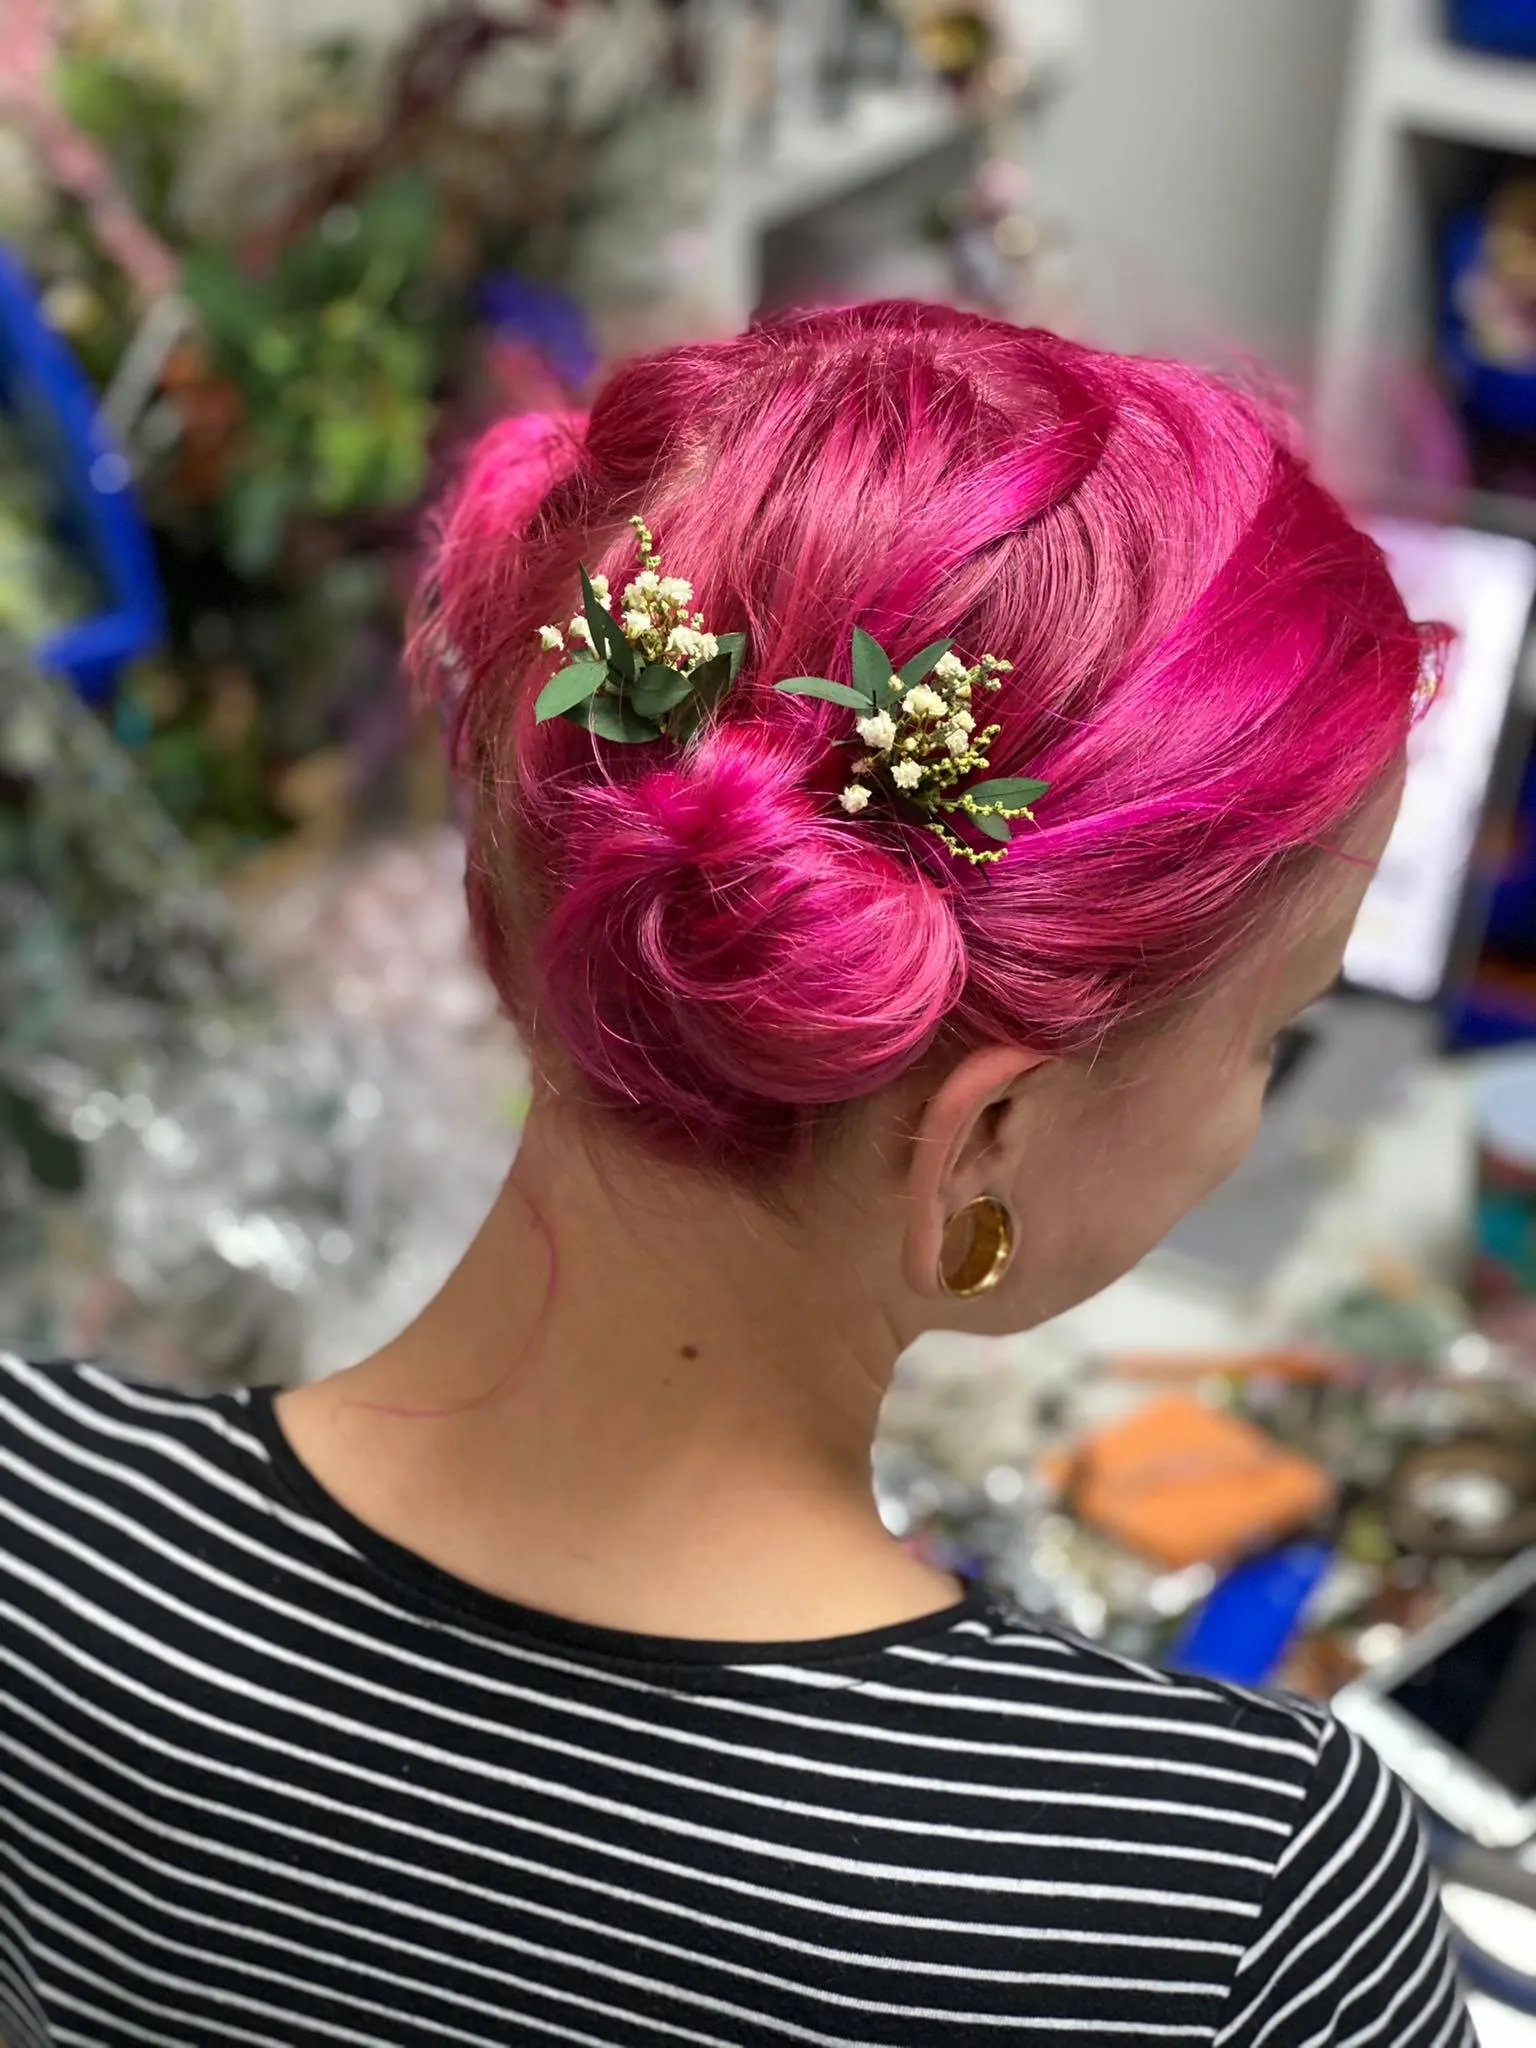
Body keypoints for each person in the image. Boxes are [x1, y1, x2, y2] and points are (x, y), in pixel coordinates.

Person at [0, 302, 1471, 2048]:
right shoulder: (1214, 1903)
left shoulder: (46, 1538)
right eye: (1271, 1040)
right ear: (984, 1141)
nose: (1253, 1116)